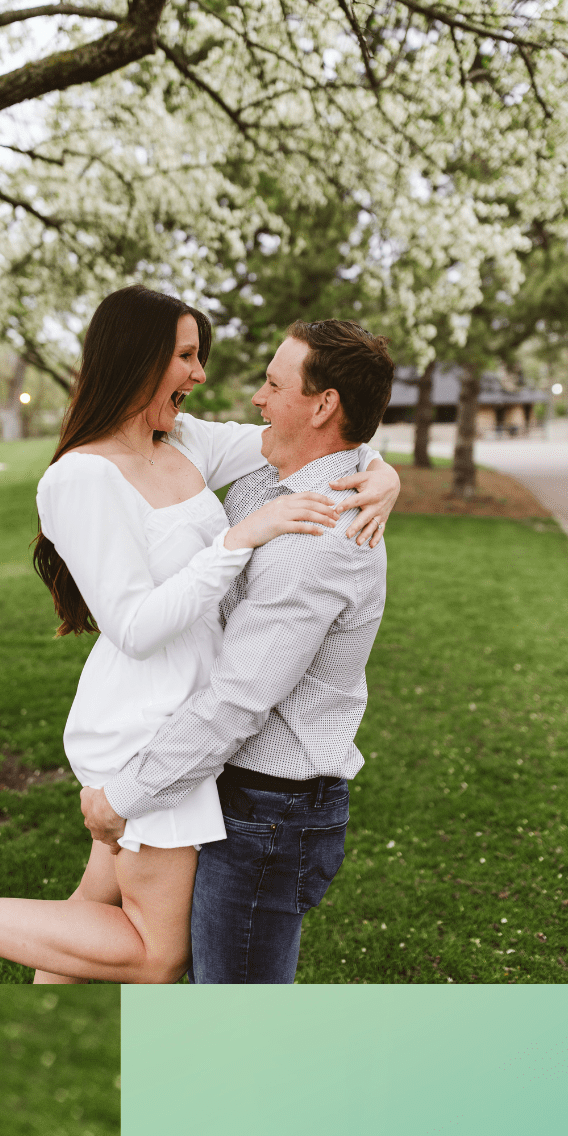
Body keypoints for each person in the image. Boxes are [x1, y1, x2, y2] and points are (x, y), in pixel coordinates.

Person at [0, 288, 398, 984]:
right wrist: (238, 540)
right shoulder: (81, 478)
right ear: (140, 358)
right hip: (148, 719)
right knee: (156, 954)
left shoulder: (183, 442)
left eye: (200, 356)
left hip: (182, 716)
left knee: (85, 919)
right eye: (186, 356)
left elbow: (328, 437)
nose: (204, 375)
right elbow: (131, 625)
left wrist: (381, 473)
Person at [82, 317, 398, 983]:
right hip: (222, 783)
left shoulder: (323, 534)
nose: (257, 397)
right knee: (109, 931)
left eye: (273, 384)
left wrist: (124, 796)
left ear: (323, 404)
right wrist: (379, 465)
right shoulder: (268, 477)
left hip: (270, 814)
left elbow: (238, 699)